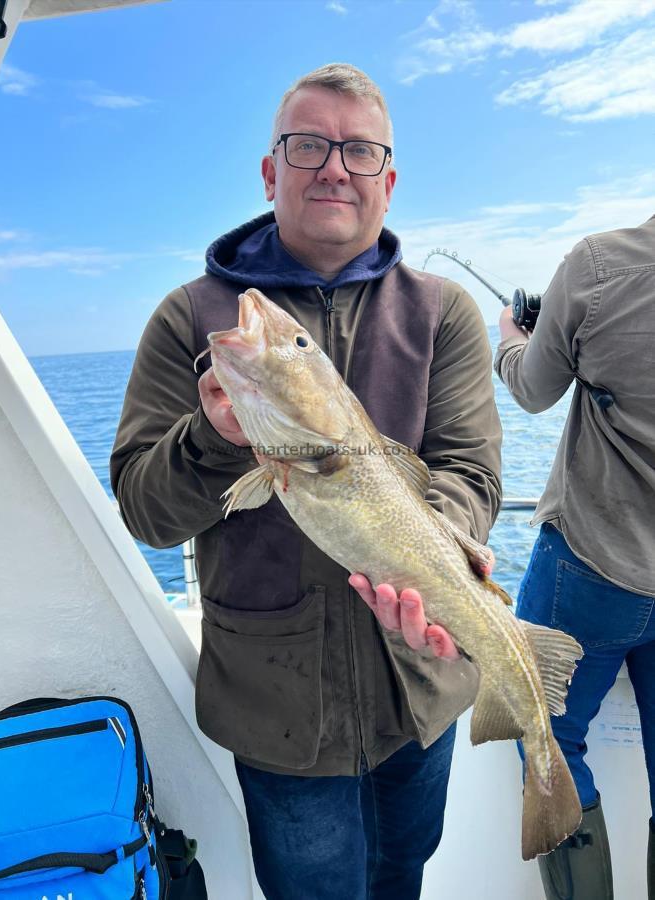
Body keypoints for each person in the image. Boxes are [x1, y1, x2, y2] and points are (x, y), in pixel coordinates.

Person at [111, 63, 501, 900]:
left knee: (403, 874)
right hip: (276, 708)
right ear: (270, 170)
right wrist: (217, 438)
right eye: (308, 144)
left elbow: (469, 472)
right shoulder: (189, 319)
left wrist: (435, 546)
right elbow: (145, 509)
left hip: (421, 687)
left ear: (386, 182)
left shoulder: (445, 312)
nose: (334, 166)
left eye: (359, 150)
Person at [495, 215, 655, 900]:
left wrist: (510, 342)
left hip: (588, 569)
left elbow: (533, 391)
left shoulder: (596, 264)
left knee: (547, 744)